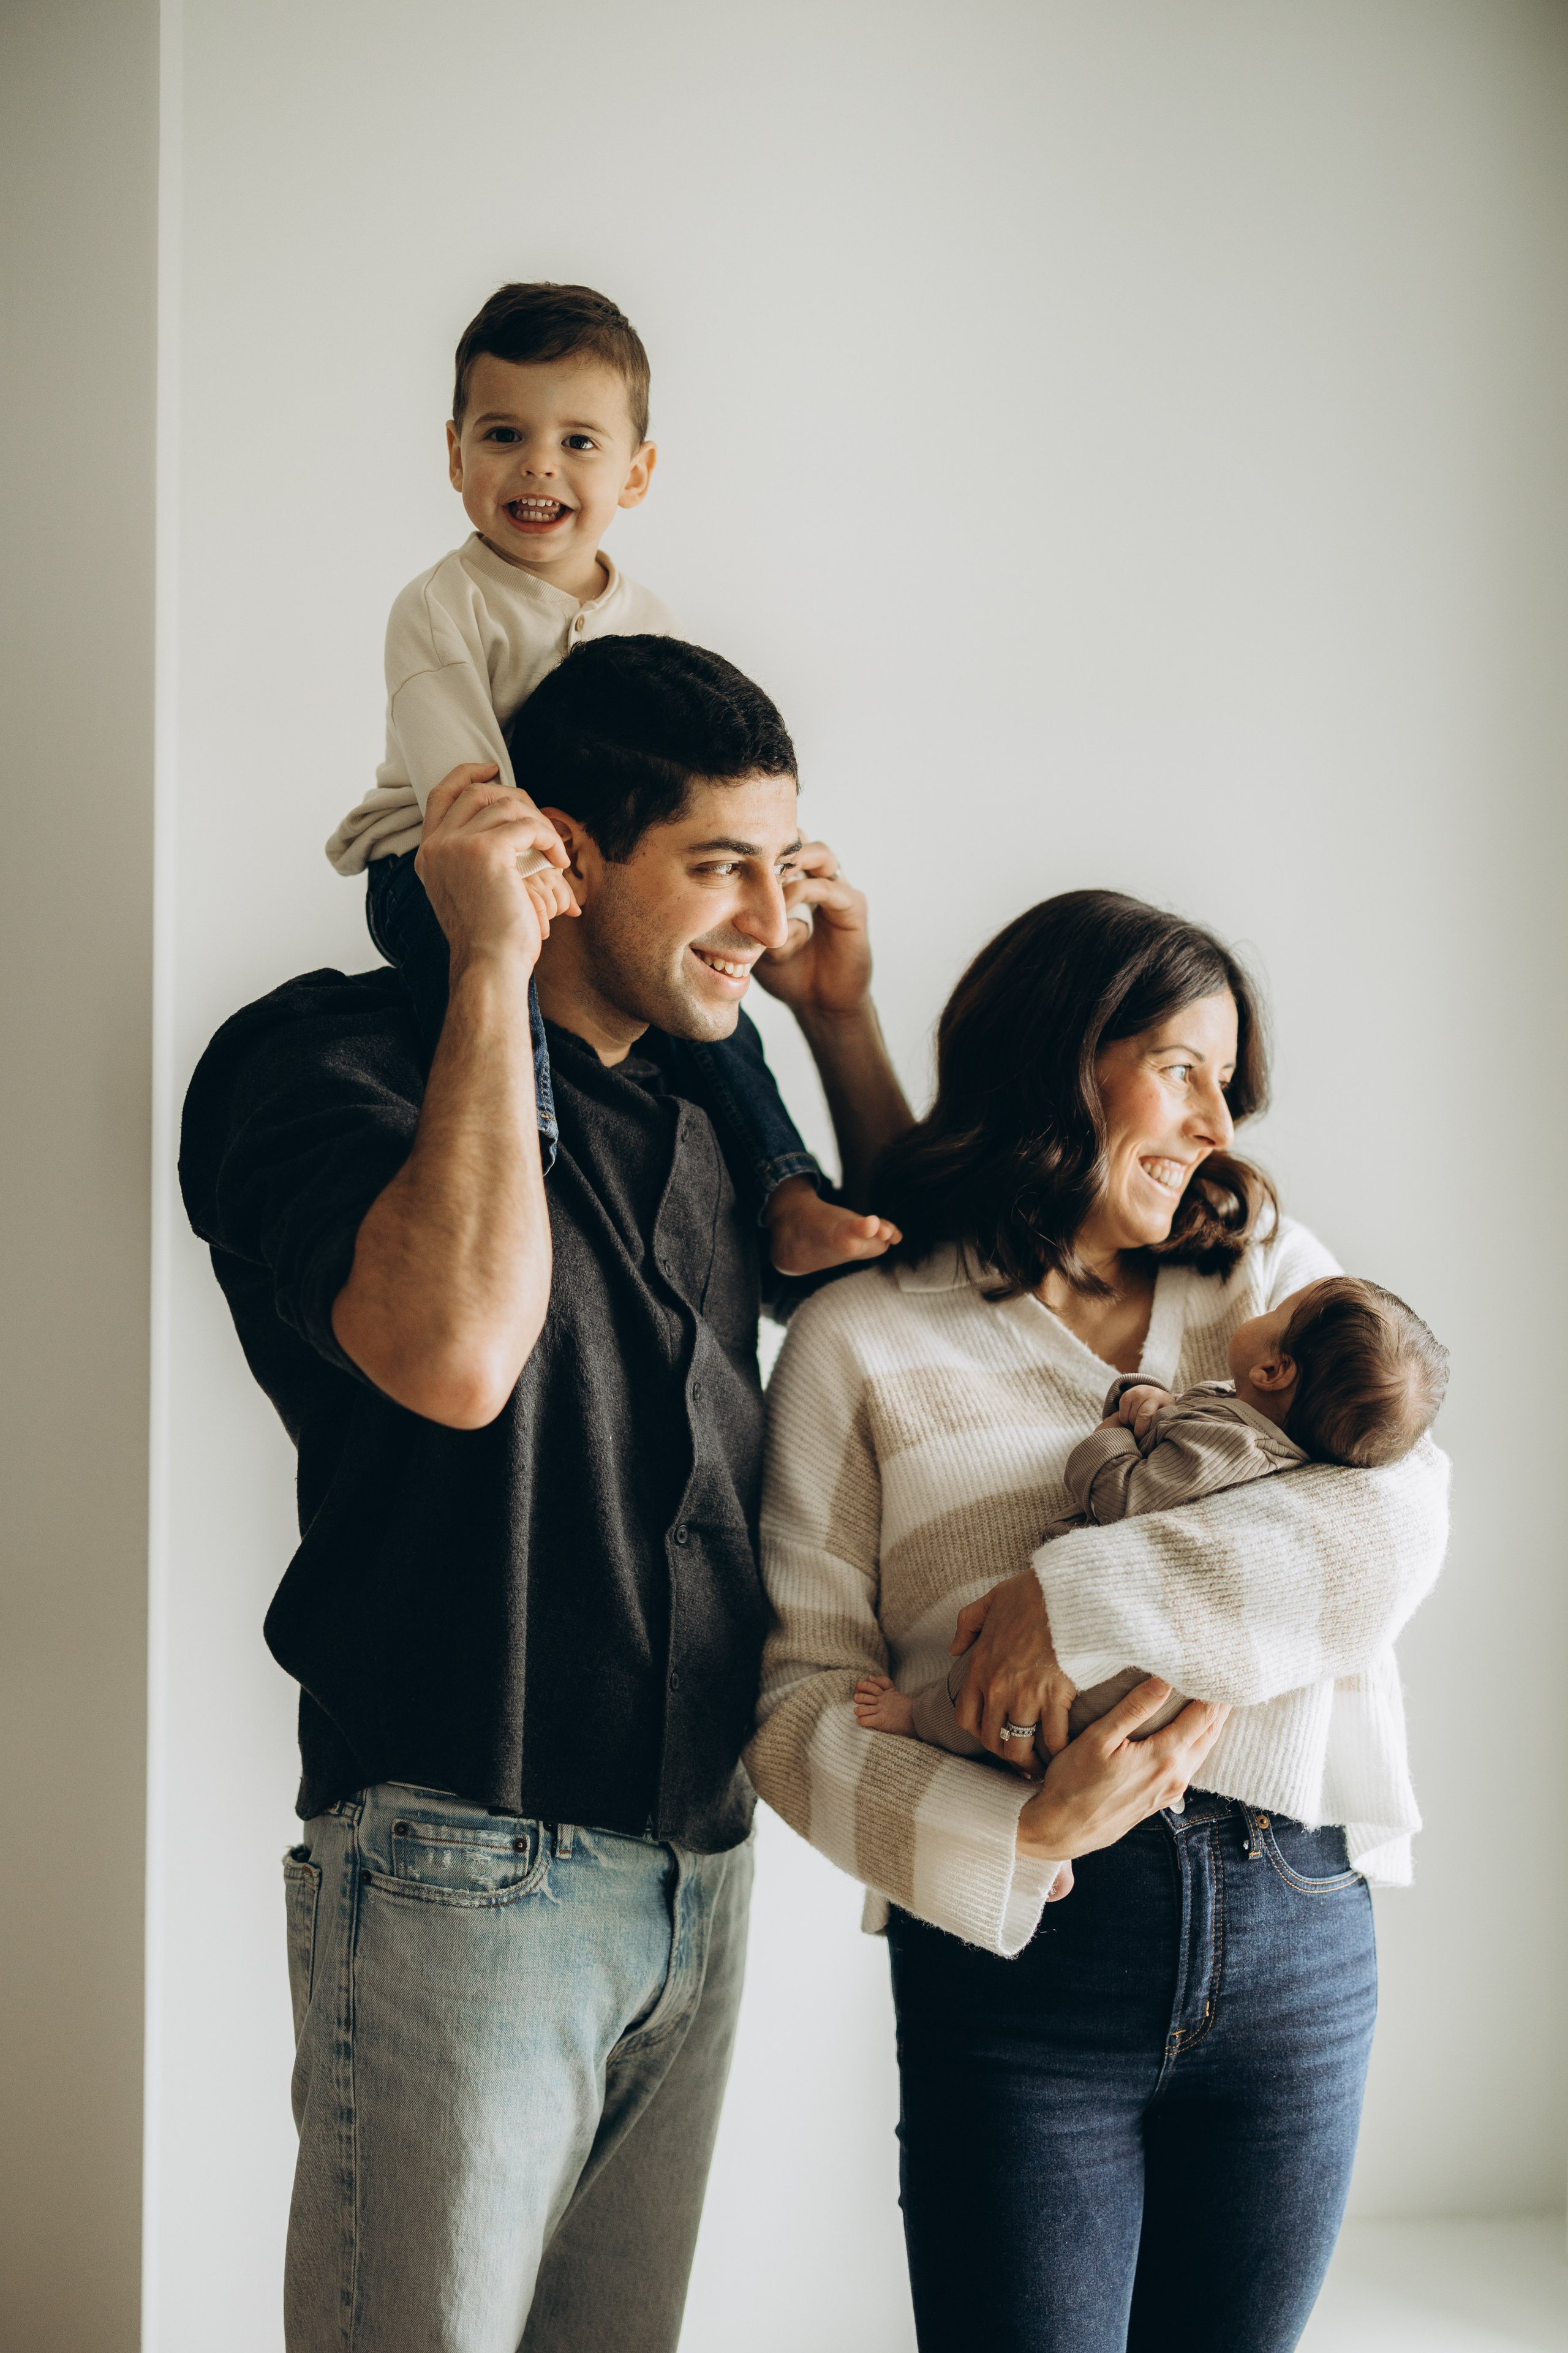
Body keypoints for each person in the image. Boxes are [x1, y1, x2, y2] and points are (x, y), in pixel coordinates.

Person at [179, 635, 913, 2353]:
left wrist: (840, 1023)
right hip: (459, 1856)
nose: (766, 916)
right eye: (718, 866)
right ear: (564, 858)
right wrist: (491, 963)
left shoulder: (705, 1106)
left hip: (697, 1859)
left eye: (780, 863)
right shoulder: (320, 1060)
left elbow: (923, 1315)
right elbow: (451, 1351)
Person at [746, 889, 1450, 2353]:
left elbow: (1392, 1527)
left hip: (1296, 1929)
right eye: (1180, 1067)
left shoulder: (1266, 1283)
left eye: (1225, 1083)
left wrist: (1069, 1604)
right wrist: (1015, 1830)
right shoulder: (856, 1338)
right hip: (1024, 1966)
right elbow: (796, 1702)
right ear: (1061, 1056)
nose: (1213, 1122)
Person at [324, 278, 884, 1277]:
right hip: (434, 859)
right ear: (454, 455)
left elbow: (685, 778)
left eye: (579, 441)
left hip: (588, 869)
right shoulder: (442, 606)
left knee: (715, 1008)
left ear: (637, 472)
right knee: (495, 991)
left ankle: (785, 1190)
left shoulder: (651, 619)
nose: (539, 464)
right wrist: (532, 885)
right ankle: (530, 1180)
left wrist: (733, 869)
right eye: (503, 435)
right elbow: (465, 785)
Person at [854, 1273, 1450, 1778]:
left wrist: (1108, 1438)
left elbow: (1128, 1497)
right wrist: (1146, 1399)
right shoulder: (1256, 1435)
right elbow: (1180, 1445)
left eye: (1278, 1310)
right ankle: (1051, 1836)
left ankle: (916, 1716)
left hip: (1119, 1661)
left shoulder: (1228, 1445)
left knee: (979, 1687)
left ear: (1273, 1369)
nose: (1264, 1307)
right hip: (1150, 1681)